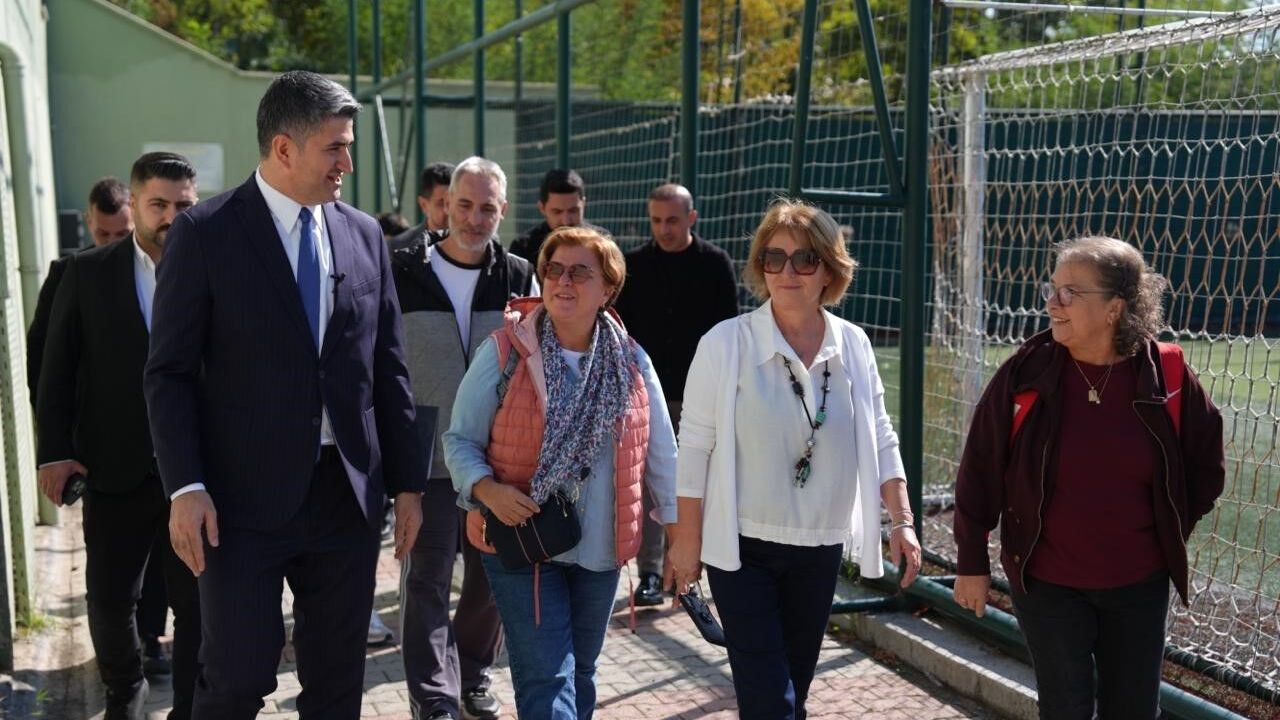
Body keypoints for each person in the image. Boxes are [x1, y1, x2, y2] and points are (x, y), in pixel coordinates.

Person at [144, 70, 426, 719]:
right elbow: (169, 373)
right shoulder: (206, 233)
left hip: (346, 497)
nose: (347, 163)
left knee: (336, 685)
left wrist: (409, 483)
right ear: (283, 148)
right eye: (336, 148)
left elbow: (388, 366)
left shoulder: (364, 235)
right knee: (237, 677)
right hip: (238, 502)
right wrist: (185, 486)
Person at [952, 236, 1225, 720]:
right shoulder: (1025, 373)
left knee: (1134, 710)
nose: (1052, 304)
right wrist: (971, 561)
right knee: (1065, 709)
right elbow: (980, 469)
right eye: (1052, 289)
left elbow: (1207, 468)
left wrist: (1166, 531)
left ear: (1115, 308)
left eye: (1070, 293)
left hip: (1139, 584)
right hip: (1047, 582)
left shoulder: (1167, 374)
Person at [667, 200, 921, 720]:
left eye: (805, 259)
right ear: (760, 266)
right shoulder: (726, 343)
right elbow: (692, 448)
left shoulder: (854, 344)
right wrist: (686, 541)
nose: (787, 271)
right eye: (774, 258)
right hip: (741, 550)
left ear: (829, 269)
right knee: (771, 702)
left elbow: (881, 435)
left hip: (819, 547)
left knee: (793, 694)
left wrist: (902, 521)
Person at [442, 226, 677, 719]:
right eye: (553, 269)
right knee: (547, 675)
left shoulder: (632, 361)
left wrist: (680, 538)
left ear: (607, 289)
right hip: (525, 539)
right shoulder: (507, 351)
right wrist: (487, 490)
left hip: (601, 547)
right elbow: (459, 440)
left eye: (579, 272)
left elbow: (661, 457)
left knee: (581, 672)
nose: (563, 281)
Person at [36, 153, 203, 720]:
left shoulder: (217, 269)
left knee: (196, 604)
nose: (172, 217)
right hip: (113, 465)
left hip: (196, 473)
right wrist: (55, 453)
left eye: (184, 205)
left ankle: (189, 705)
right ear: (134, 205)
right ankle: (124, 691)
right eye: (159, 204)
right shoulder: (87, 273)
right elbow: (56, 371)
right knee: (110, 601)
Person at [392, 156, 537, 720]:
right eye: (465, 205)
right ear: (444, 205)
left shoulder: (519, 276)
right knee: (424, 579)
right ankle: (433, 698)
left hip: (494, 458)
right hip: (425, 454)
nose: (475, 219)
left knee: (490, 576)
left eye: (488, 209)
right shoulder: (401, 269)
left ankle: (474, 674)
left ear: (503, 211)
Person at [613, 182, 738, 607]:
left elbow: (728, 331)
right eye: (656, 220)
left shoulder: (715, 264)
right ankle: (650, 572)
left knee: (700, 482)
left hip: (700, 396)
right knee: (652, 483)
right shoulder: (633, 266)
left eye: (672, 220)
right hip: (646, 394)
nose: (663, 229)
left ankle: (692, 568)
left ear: (691, 218)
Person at [26, 176, 133, 401]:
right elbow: (41, 347)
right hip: (86, 408)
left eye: (122, 234)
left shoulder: (154, 272)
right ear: (89, 222)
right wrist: (45, 410)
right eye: (103, 234)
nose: (112, 243)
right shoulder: (64, 274)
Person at [507, 169, 608, 263]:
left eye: (573, 211)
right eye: (557, 212)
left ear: (584, 204)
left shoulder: (601, 241)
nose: (566, 221)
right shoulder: (524, 248)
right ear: (542, 208)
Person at [391, 161, 456, 250]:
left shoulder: (470, 245)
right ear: (424, 205)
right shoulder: (400, 247)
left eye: (454, 202)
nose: (449, 209)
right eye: (441, 203)